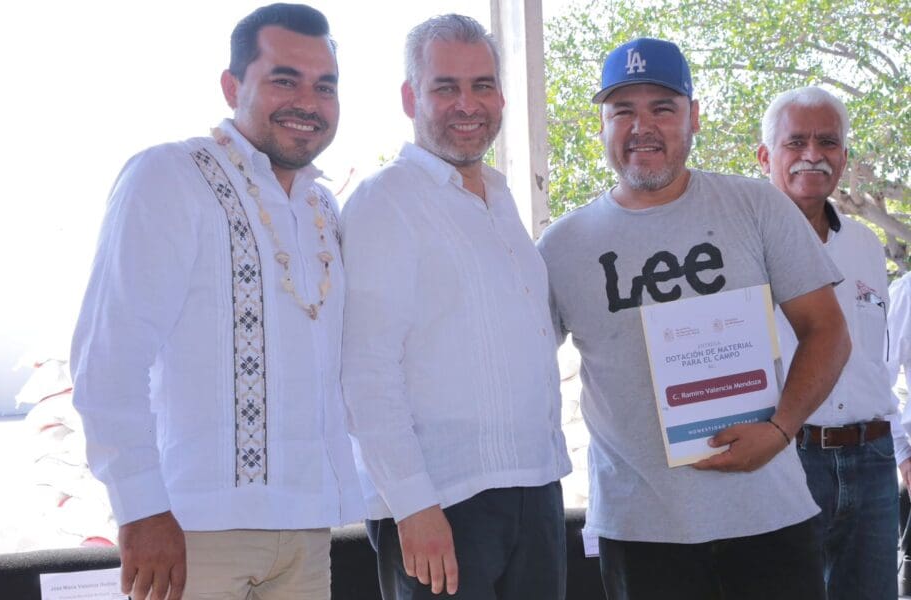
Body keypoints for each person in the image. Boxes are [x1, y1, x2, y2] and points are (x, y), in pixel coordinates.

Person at [537, 38, 850, 600]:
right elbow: (520, 365)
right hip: (641, 534)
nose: (642, 127)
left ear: (694, 117)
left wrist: (780, 430)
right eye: (623, 111)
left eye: (662, 108)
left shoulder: (756, 207)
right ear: (601, 124)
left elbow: (827, 331)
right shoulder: (561, 246)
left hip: (770, 517)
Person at [69, 4, 363, 600]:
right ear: (232, 86)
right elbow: (109, 359)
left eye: (325, 86)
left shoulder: (322, 208)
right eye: (285, 79)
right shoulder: (169, 176)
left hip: (309, 526)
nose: (308, 101)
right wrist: (141, 509)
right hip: (191, 530)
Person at [340, 14, 571, 600]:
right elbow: (365, 371)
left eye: (482, 85)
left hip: (536, 487)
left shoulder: (501, 197)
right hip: (442, 502)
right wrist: (412, 504)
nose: (468, 104)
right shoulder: (384, 201)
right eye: (446, 87)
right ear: (410, 97)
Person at [757, 85, 910, 599]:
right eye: (795, 142)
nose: (813, 155)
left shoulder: (866, 245)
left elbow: (874, 363)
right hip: (786, 458)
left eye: (828, 142)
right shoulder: (741, 247)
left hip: (873, 460)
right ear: (765, 156)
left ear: (844, 156)